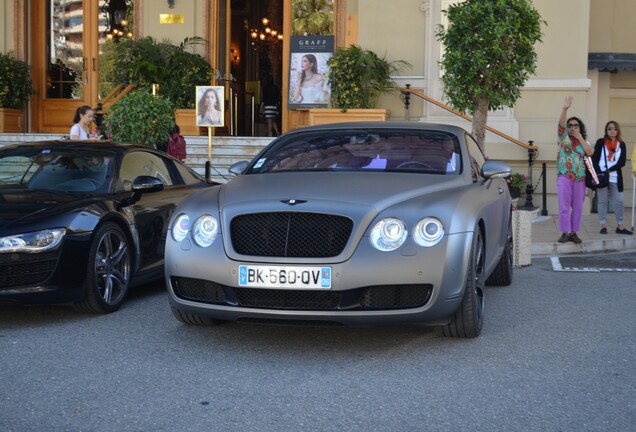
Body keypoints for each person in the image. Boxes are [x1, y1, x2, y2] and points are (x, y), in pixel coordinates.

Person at [556, 96, 594, 244]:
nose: (572, 127)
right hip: (564, 176)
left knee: (578, 207)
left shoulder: (584, 142)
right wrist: (565, 109)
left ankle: (574, 232)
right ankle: (565, 232)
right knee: (564, 206)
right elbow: (560, 125)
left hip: (580, 179)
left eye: (575, 125)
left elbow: (590, 152)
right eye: (570, 125)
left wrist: (580, 137)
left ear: (580, 127)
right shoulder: (564, 138)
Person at [592, 121, 632, 235]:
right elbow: (595, 159)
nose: (612, 131)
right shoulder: (601, 142)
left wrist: (610, 170)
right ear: (606, 130)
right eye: (609, 129)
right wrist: (598, 174)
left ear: (618, 130)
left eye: (614, 129)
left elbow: (622, 162)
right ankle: (603, 225)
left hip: (615, 177)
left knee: (619, 200)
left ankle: (620, 226)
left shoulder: (621, 144)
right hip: (602, 176)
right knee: (603, 201)